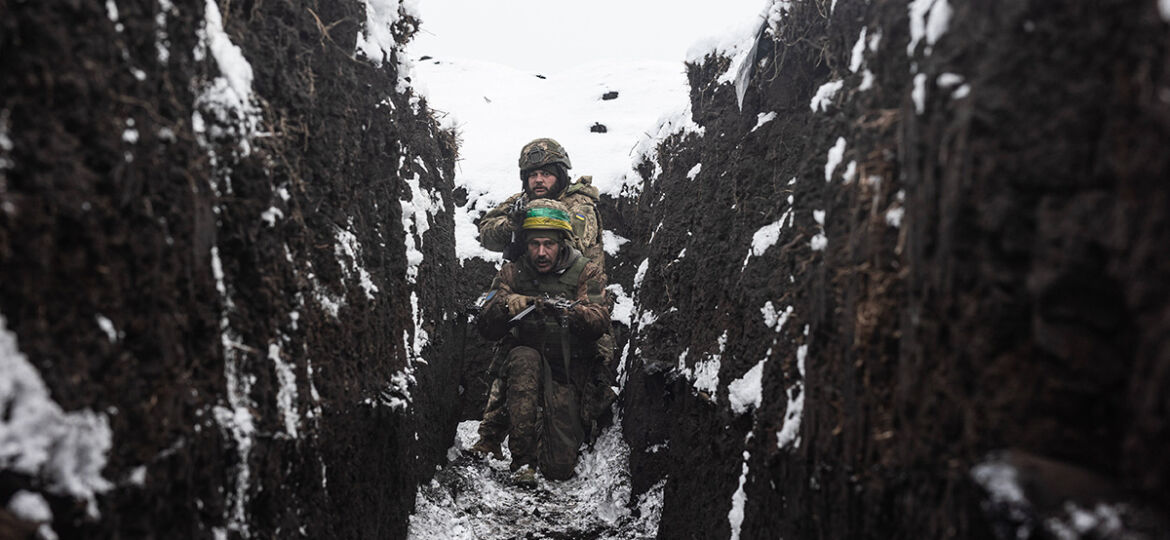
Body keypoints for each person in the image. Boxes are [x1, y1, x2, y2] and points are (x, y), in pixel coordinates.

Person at [471, 199, 611, 487]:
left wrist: (568, 312)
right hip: (524, 363)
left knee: (558, 468)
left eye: (549, 243)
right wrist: (507, 305)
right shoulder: (512, 271)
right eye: (534, 244)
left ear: (562, 242)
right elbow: (484, 325)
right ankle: (522, 460)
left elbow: (599, 321)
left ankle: (544, 434)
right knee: (523, 357)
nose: (541, 252)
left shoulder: (586, 272)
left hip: (568, 372)